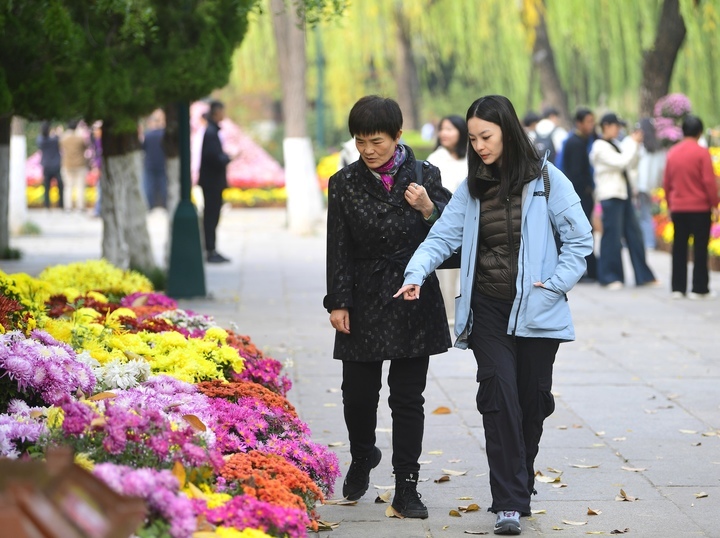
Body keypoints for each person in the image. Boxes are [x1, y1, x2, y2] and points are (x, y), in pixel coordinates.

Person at [395, 95, 593, 536]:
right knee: (498, 397)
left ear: (508, 131)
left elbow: (580, 240)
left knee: (532, 401)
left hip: (538, 309)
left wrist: (556, 283)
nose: (479, 146)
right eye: (473, 138)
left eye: (486, 136)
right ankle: (508, 501)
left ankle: (520, 474)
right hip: (487, 308)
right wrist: (416, 272)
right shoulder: (472, 188)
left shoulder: (548, 180)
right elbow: (442, 237)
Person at [324, 95, 452, 520]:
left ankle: (407, 487)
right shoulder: (343, 183)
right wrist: (338, 302)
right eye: (360, 141)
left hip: (412, 297)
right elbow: (338, 247)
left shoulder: (424, 175)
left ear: (398, 137)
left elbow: (455, 234)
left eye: (376, 141)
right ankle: (363, 455)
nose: (367, 150)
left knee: (407, 398)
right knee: (357, 396)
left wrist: (428, 208)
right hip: (362, 299)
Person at [590, 112, 657, 289]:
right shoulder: (599, 146)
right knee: (612, 237)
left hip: (624, 194)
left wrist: (635, 146)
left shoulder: (617, 144)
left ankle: (643, 275)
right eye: (616, 126)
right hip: (610, 196)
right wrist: (633, 144)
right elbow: (621, 162)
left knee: (634, 235)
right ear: (606, 126)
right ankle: (609, 276)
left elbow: (631, 164)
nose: (619, 129)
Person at [663, 115, 719, 300]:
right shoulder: (701, 153)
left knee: (679, 247)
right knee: (700, 247)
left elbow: (666, 183)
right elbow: (709, 182)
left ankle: (678, 288)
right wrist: (715, 204)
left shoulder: (672, 152)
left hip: (679, 208)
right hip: (699, 208)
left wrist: (671, 205)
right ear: (699, 132)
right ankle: (699, 288)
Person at [426, 114, 468, 321]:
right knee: (445, 271)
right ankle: (448, 314)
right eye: (442, 129)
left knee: (466, 269)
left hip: (469, 219)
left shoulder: (471, 157)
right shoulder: (435, 159)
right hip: (445, 220)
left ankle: (465, 313)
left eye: (450, 129)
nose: (444, 133)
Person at [558, 107, 598, 281]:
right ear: (579, 123)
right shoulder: (575, 143)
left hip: (582, 195)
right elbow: (575, 173)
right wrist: (587, 189)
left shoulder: (583, 141)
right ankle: (583, 271)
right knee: (580, 233)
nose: (592, 125)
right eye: (589, 121)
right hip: (579, 196)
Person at [199, 100, 233, 263]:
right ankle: (210, 250)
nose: (223, 115)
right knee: (211, 216)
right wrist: (226, 158)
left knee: (213, 215)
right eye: (221, 112)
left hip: (213, 182)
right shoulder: (211, 132)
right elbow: (212, 157)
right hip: (211, 183)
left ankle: (211, 249)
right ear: (215, 113)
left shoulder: (212, 131)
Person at [59, 119, 88, 211]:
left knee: (68, 187)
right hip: (80, 165)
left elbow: (60, 146)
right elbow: (85, 146)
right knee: (80, 187)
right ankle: (80, 207)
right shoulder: (80, 138)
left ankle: (68, 207)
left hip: (67, 165)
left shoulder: (64, 138)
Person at [141, 109, 168, 209]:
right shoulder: (164, 135)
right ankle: (164, 204)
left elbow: (143, 148)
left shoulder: (148, 135)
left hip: (150, 164)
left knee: (149, 187)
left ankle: (150, 206)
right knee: (163, 186)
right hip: (162, 164)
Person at [37, 121, 64, 209]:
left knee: (47, 187)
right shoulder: (55, 140)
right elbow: (59, 140)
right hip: (56, 166)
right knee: (60, 186)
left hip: (46, 165)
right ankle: (60, 204)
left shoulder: (41, 141)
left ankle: (47, 205)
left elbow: (39, 142)